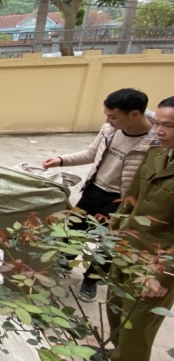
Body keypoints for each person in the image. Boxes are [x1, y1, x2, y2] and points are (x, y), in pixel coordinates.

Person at [43, 88, 155, 302]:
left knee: (107, 244)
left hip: (121, 201)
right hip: (95, 189)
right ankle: (65, 261)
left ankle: (91, 280)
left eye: (113, 116)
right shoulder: (109, 130)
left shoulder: (154, 143)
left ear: (134, 114)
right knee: (74, 229)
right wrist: (61, 159)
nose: (108, 120)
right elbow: (91, 153)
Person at [106, 96, 174, 361]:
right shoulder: (156, 153)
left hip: (154, 266)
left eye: (169, 125)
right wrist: (113, 238)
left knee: (136, 331)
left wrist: (164, 275)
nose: (159, 130)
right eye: (158, 122)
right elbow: (131, 202)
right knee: (116, 314)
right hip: (126, 250)